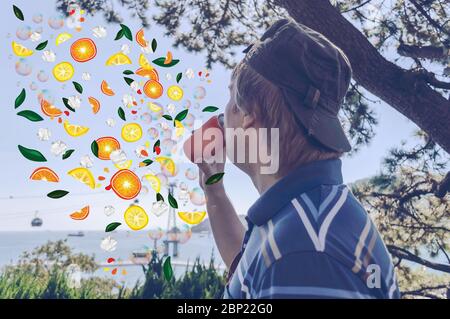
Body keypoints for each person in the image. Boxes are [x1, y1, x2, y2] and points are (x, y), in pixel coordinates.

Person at [196, 18, 400, 299]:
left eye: (230, 101)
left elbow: (281, 265)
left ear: (248, 115)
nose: (220, 120)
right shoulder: (300, 215)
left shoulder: (303, 252)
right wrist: (214, 190)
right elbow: (252, 272)